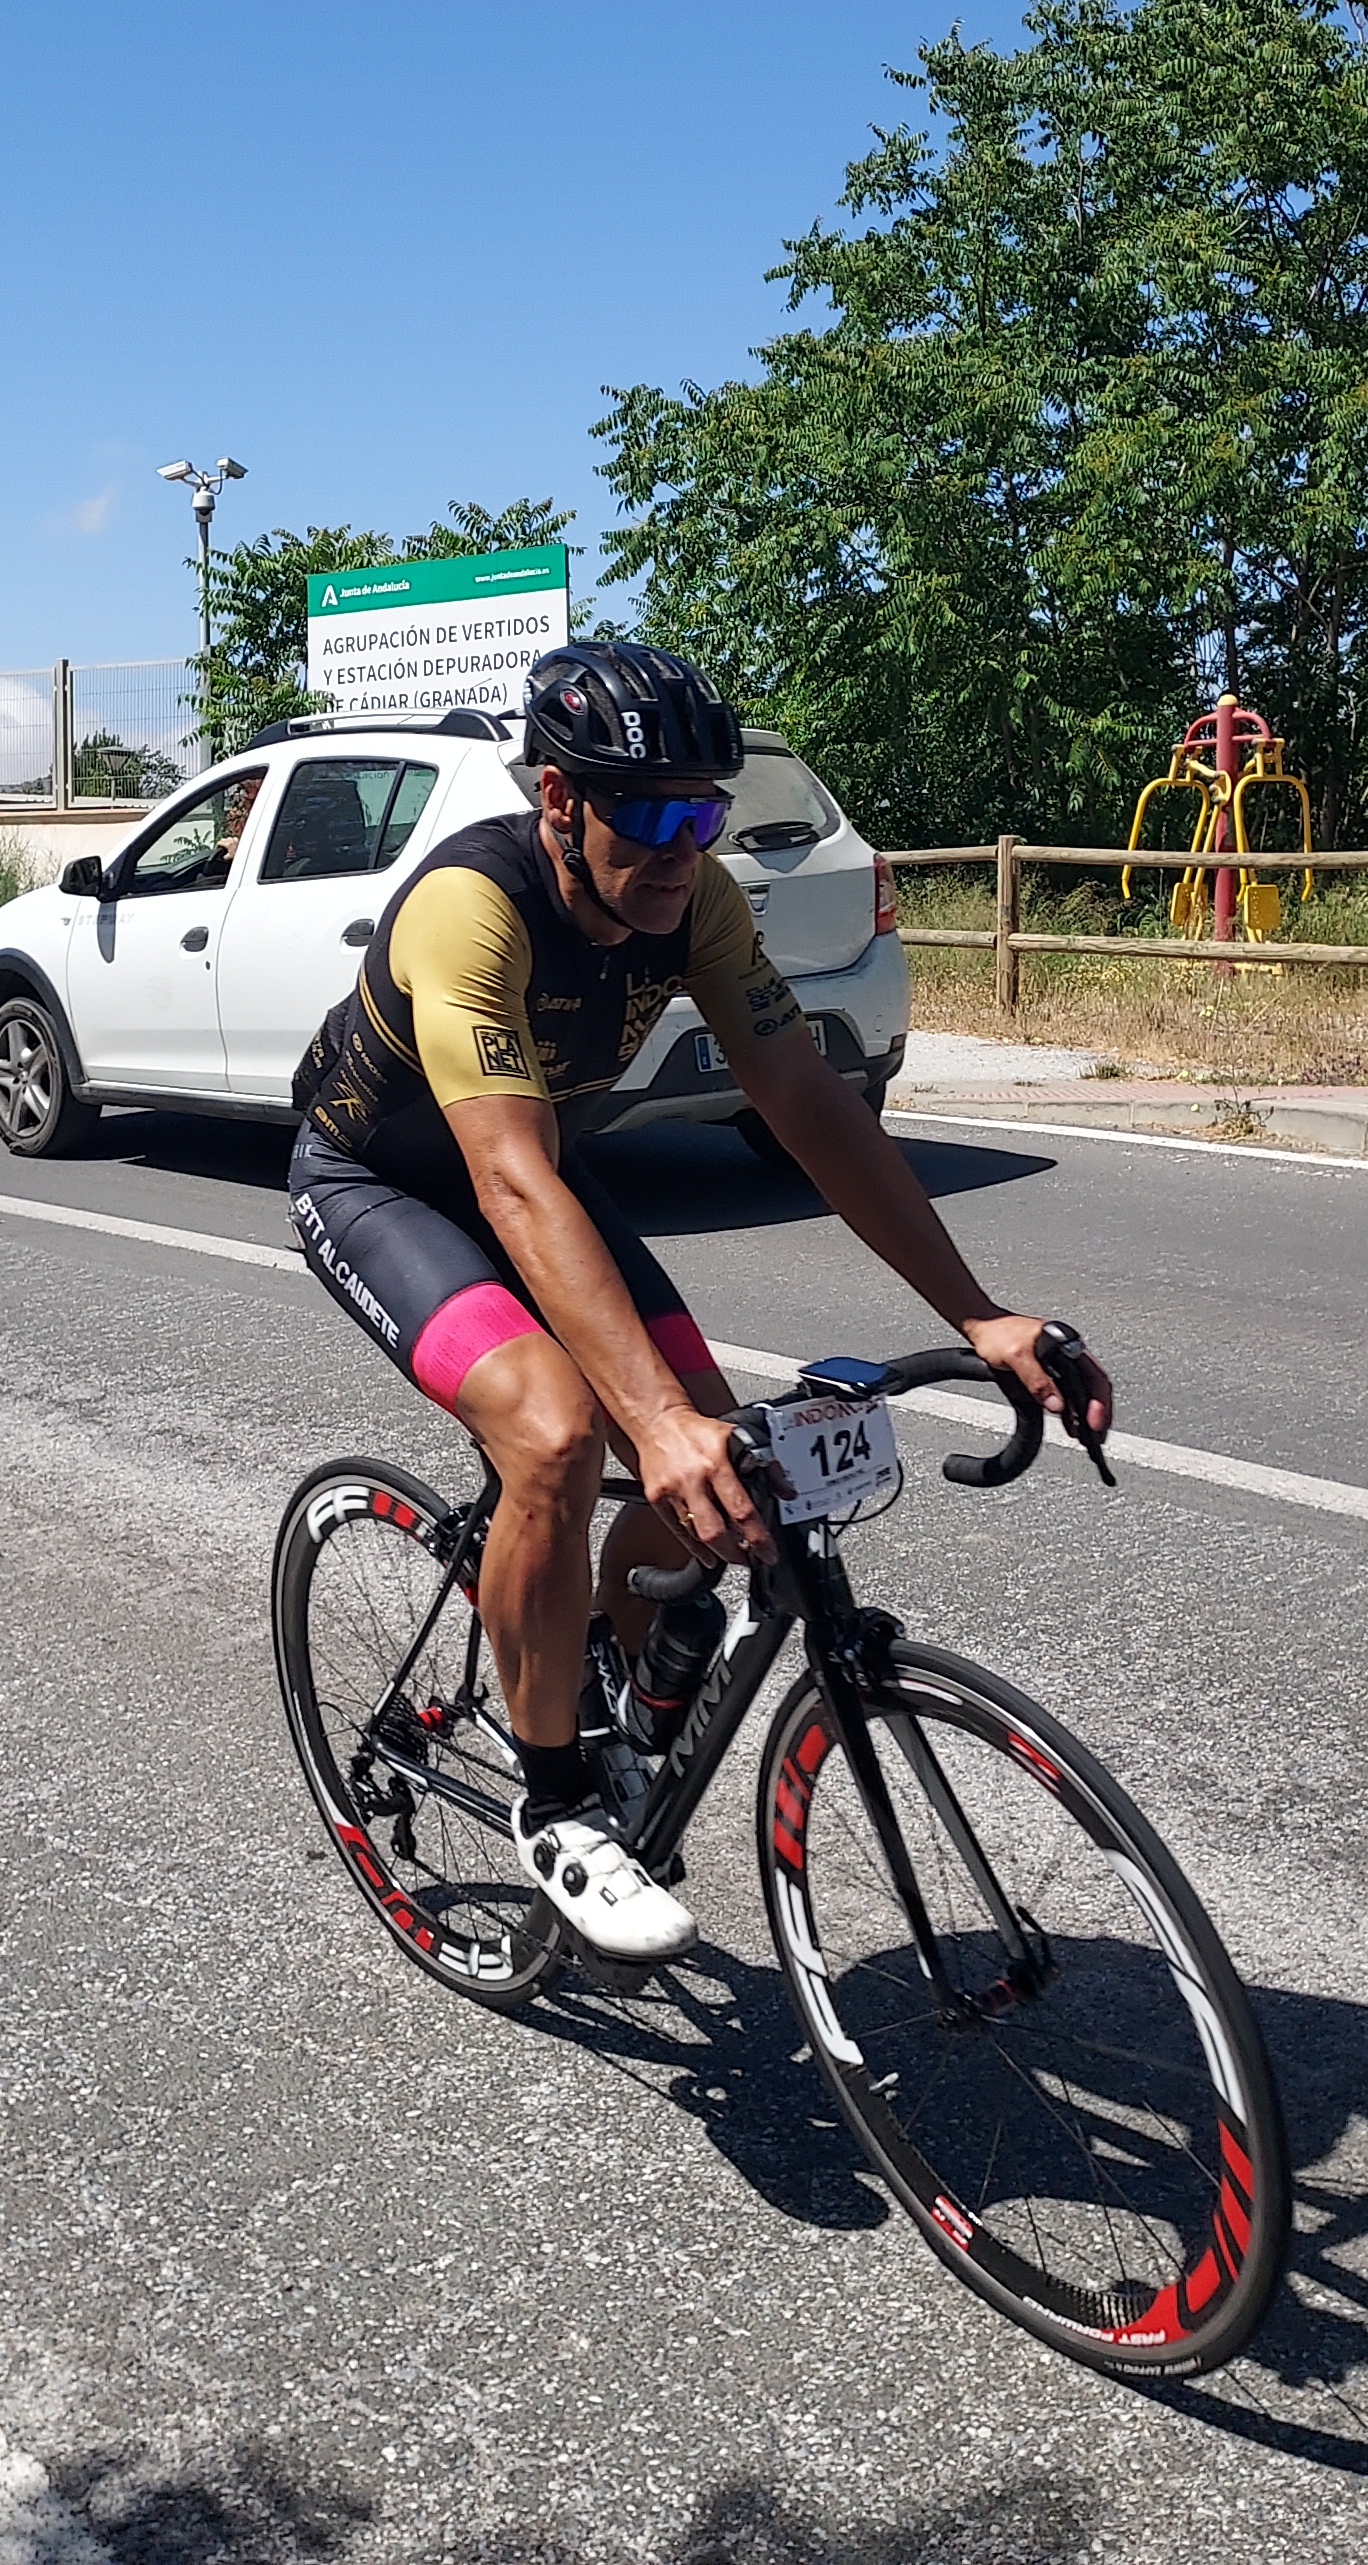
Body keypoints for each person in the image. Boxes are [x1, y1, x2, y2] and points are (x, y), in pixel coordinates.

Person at [287, 641, 1110, 1961]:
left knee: (717, 1459)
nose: (685, 848)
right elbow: (505, 1181)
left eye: (705, 813)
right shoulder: (470, 908)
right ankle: (556, 1807)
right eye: (652, 816)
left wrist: (978, 1314)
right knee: (559, 1432)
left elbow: (808, 1104)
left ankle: (601, 1678)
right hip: (385, 1183)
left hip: (539, 1173)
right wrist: (646, 1421)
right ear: (560, 800)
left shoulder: (700, 905)